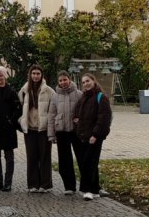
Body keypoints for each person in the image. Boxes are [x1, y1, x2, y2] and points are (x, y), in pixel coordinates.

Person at [74, 72, 112, 201]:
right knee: (90, 163)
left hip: (95, 137)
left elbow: (104, 118)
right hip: (83, 136)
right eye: (83, 82)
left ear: (94, 81)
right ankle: (95, 189)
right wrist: (76, 122)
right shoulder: (83, 98)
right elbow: (76, 114)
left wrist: (95, 135)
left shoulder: (101, 97)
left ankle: (88, 190)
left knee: (88, 163)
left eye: (88, 81)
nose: (86, 84)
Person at [18, 64, 56, 193]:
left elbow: (54, 110)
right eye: (33, 73)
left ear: (41, 75)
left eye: (38, 73)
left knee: (45, 157)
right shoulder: (24, 90)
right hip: (30, 129)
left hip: (44, 129)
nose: (35, 76)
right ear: (30, 75)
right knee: (32, 157)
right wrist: (21, 121)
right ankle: (33, 184)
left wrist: (52, 128)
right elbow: (19, 107)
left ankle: (45, 185)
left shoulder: (49, 91)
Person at [48, 70, 84, 195]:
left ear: (69, 79)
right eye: (60, 80)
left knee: (82, 158)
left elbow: (84, 112)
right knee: (64, 160)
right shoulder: (55, 96)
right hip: (61, 131)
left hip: (76, 131)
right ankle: (69, 186)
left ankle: (86, 186)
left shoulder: (79, 94)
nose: (63, 82)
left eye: (65, 79)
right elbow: (51, 115)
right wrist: (51, 134)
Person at [0, 66, 20, 191]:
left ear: (5, 77)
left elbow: (18, 109)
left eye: (1, 75)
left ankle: (8, 182)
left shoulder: (11, 92)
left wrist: (11, 120)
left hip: (8, 128)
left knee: (9, 156)